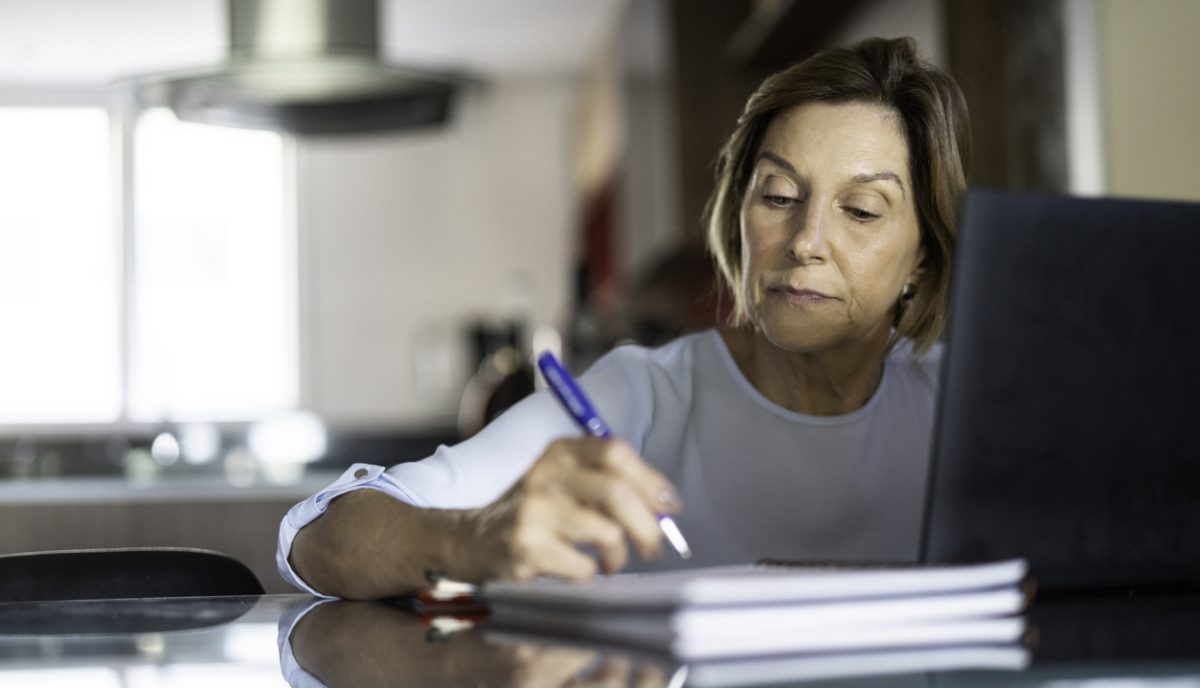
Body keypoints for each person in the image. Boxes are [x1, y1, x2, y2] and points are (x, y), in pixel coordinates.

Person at [278, 36, 971, 600]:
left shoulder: (967, 409)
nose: (805, 240)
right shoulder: (641, 396)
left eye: (861, 210)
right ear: (739, 215)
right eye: (780, 195)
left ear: (921, 256)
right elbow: (315, 535)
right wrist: (469, 539)